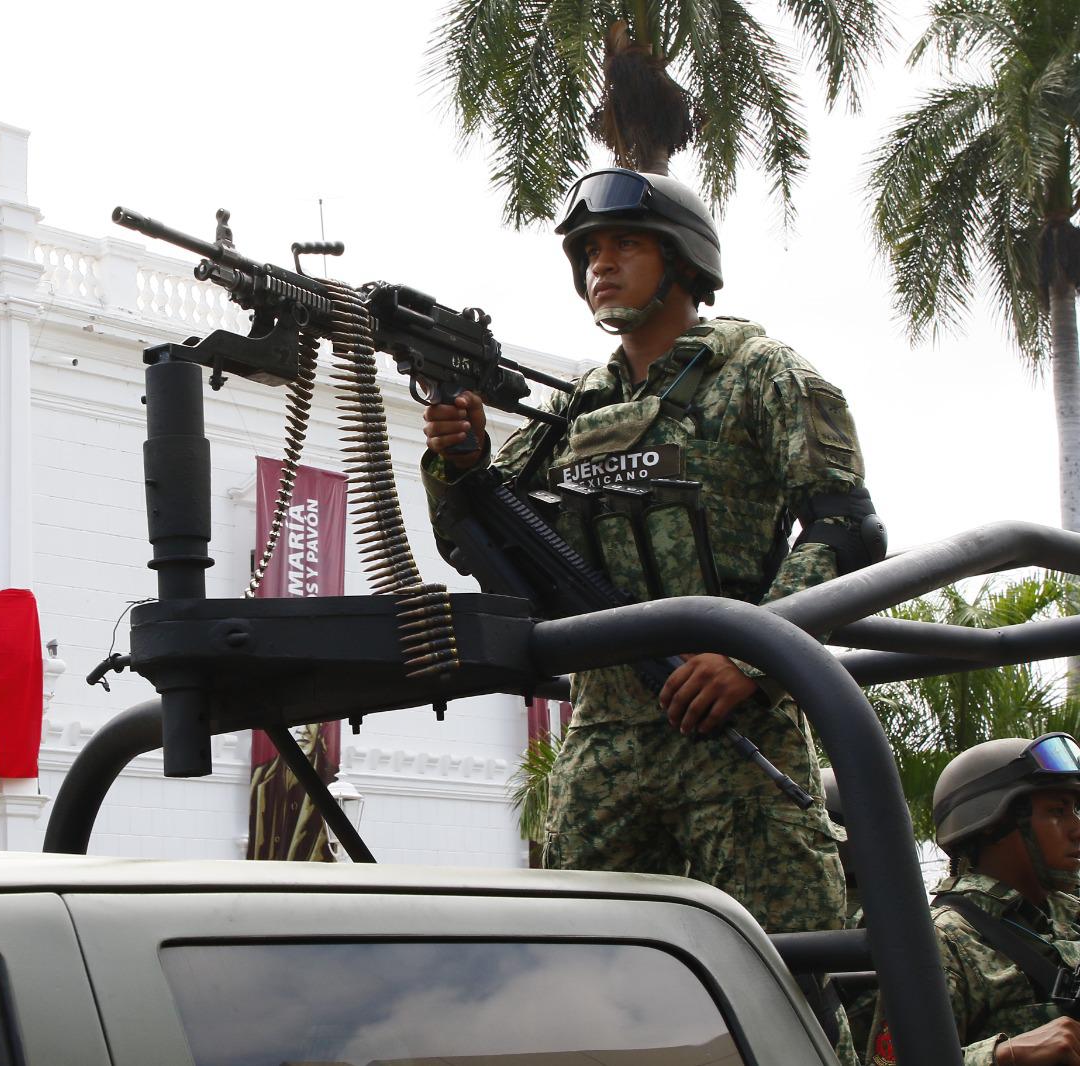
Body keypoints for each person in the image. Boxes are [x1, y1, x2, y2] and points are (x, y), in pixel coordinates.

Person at [421, 167, 883, 938]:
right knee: (579, 958)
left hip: (732, 719)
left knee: (786, 960)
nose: (600, 265)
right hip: (605, 730)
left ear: (682, 258)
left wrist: (752, 656)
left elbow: (847, 530)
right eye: (589, 252)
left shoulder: (761, 373)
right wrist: (462, 463)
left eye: (625, 245)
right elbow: (475, 542)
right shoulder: (577, 407)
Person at [863, 734, 1080, 1066]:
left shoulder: (1069, 917)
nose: (1076, 828)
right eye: (1057, 811)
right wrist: (1003, 1055)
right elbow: (887, 1063)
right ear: (994, 823)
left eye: (1075, 810)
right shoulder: (942, 938)